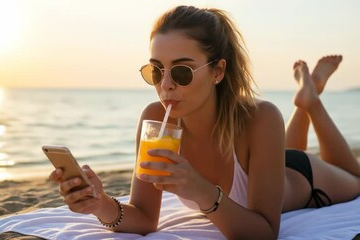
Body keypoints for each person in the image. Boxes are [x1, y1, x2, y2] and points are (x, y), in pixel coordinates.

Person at [49, 5, 360, 239]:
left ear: (218, 71)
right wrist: (99, 203)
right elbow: (144, 218)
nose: (166, 85)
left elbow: (265, 232)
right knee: (281, 154)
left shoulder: (260, 117)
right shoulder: (155, 119)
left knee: (356, 179)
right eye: (157, 71)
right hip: (270, 164)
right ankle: (306, 100)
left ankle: (310, 103)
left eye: (182, 71)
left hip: (305, 178)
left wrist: (200, 190)